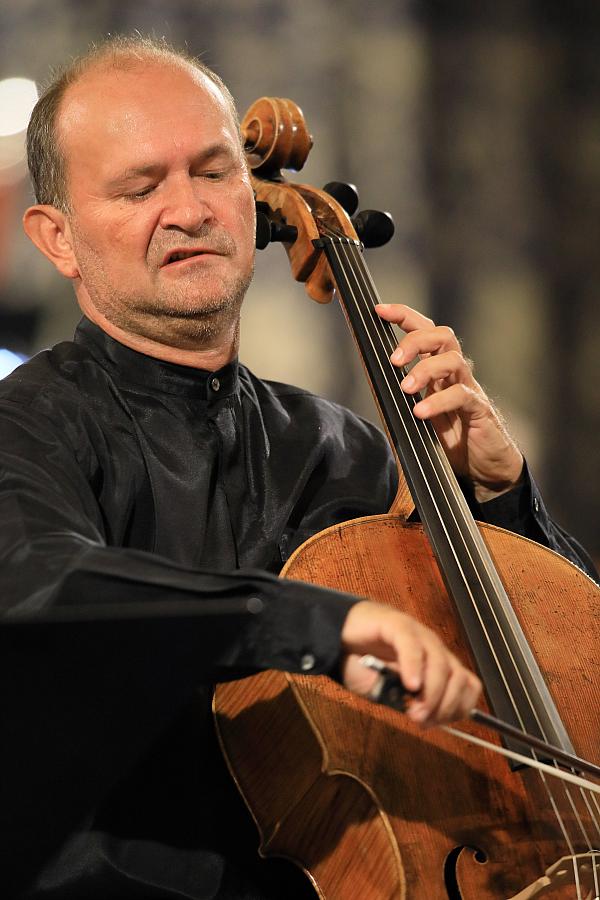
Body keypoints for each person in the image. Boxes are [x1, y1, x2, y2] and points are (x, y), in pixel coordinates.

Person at [1, 35, 596, 900]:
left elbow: (557, 689)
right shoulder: (29, 427)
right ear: (56, 237)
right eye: (140, 186)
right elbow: (32, 584)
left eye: (213, 172)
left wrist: (497, 503)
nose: (191, 210)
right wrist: (311, 621)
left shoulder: (342, 448)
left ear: (253, 196)